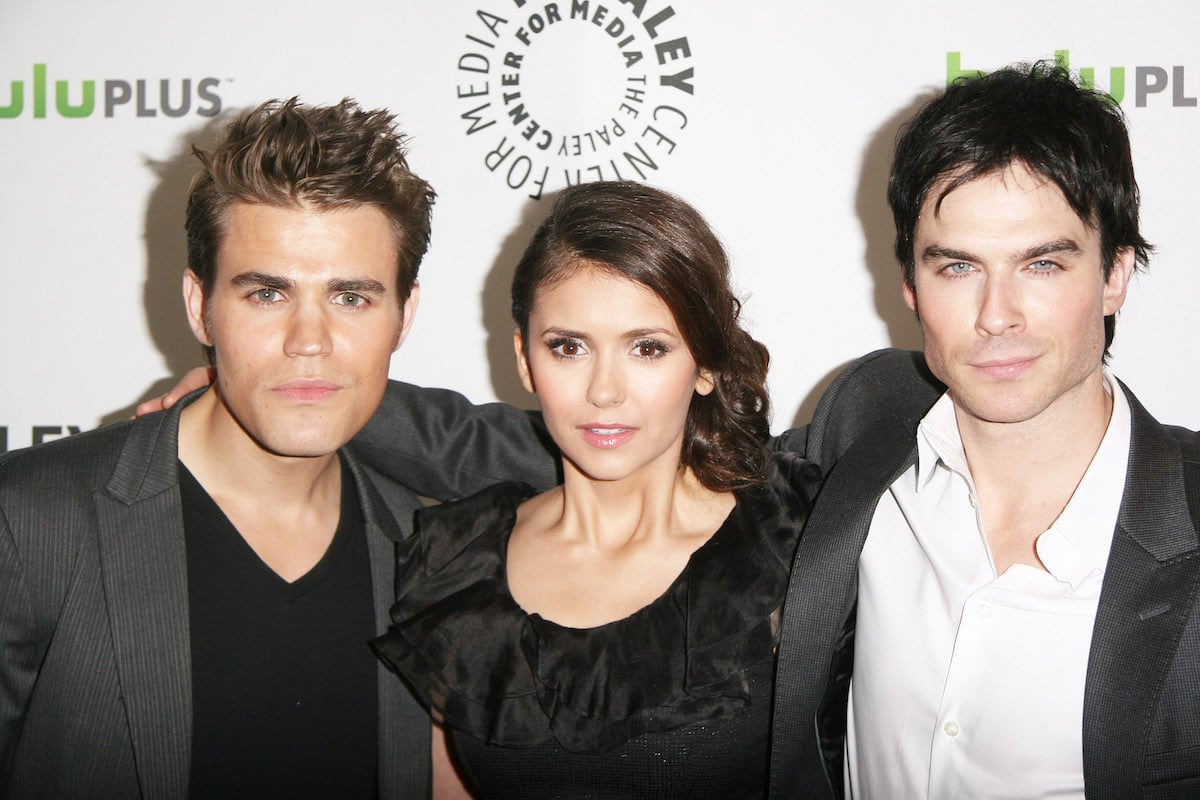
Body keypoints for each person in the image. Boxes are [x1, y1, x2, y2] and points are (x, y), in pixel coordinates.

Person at [0, 97, 438, 798]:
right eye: (266, 294)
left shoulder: (428, 552)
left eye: (351, 298)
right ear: (199, 305)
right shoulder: (28, 521)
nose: (309, 340)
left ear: (403, 315)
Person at [370, 181, 816, 798]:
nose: (605, 390)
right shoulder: (456, 567)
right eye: (569, 347)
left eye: (648, 348)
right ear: (526, 359)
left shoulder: (798, 542)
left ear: (707, 366)